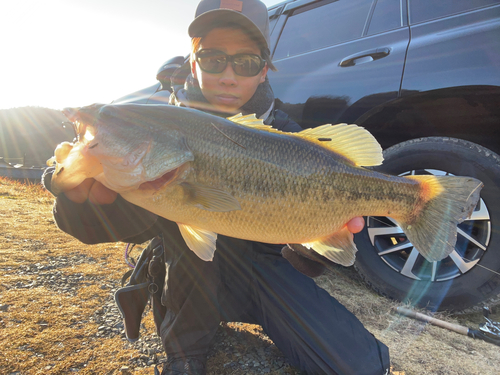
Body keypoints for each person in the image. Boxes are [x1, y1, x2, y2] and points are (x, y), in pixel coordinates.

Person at [43, 1, 391, 374]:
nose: (228, 75)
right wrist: (81, 204)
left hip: (265, 270)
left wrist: (318, 241)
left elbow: (312, 253)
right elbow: (120, 223)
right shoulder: (159, 125)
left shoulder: (292, 138)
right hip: (188, 274)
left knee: (359, 367)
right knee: (188, 256)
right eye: (212, 59)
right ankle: (185, 354)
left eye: (245, 63)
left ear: (263, 72)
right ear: (193, 63)